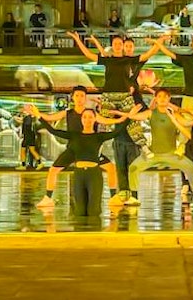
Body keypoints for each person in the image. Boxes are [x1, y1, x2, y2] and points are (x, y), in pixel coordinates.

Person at [67, 32, 164, 198]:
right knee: (100, 121)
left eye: (120, 43)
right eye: (116, 43)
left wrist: (159, 42)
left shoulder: (128, 59)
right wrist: (77, 40)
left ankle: (143, 146)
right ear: (113, 46)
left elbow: (148, 54)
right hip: (109, 95)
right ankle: (95, 149)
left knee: (132, 120)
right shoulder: (108, 60)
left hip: (125, 95)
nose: (118, 46)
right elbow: (89, 54)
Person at [31, 86, 129, 208]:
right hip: (73, 149)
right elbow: (50, 118)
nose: (79, 98)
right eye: (77, 95)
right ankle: (47, 198)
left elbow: (106, 121)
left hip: (90, 151)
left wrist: (122, 119)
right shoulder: (67, 113)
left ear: (85, 98)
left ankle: (113, 197)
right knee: (53, 170)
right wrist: (37, 114)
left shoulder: (90, 114)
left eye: (82, 96)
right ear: (72, 97)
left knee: (111, 168)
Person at [125, 89, 193, 206]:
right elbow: (134, 117)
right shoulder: (150, 113)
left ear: (169, 99)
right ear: (155, 98)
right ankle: (134, 197)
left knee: (191, 168)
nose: (162, 99)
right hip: (153, 154)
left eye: (165, 97)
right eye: (159, 96)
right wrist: (131, 113)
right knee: (133, 168)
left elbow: (186, 124)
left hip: (172, 155)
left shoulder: (174, 114)